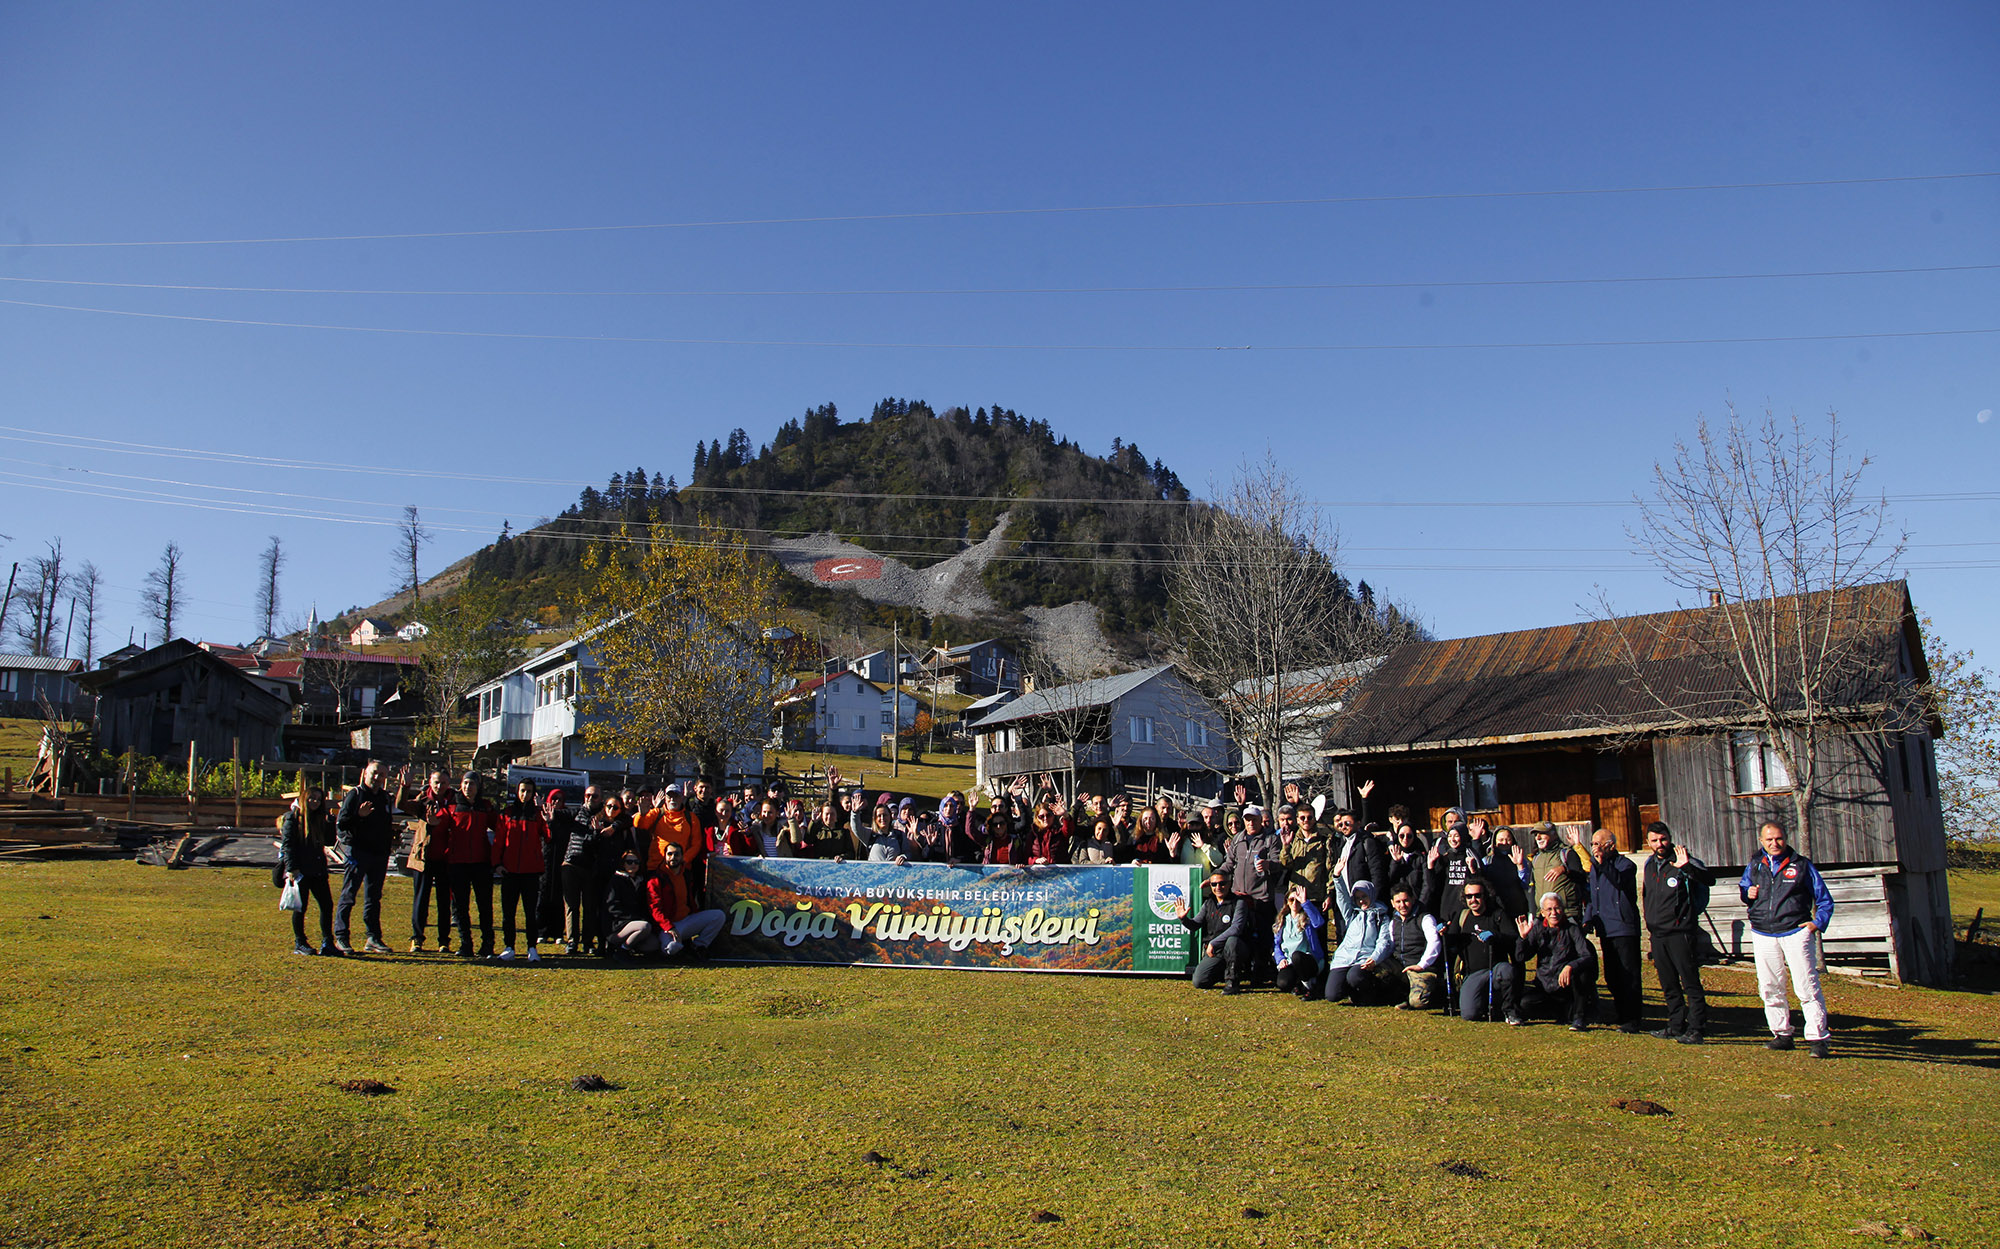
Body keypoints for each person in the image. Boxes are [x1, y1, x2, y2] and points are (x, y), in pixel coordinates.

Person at [1741, 819, 1835, 1058]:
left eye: (1779, 838)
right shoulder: (1754, 865)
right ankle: (1782, 1034)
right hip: (1763, 933)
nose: (1775, 843)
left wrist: (1816, 923)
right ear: (1761, 841)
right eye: (1769, 839)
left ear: (1786, 838)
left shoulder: (1801, 865)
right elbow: (1745, 890)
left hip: (1795, 932)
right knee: (1770, 987)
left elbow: (1824, 899)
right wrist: (1747, 893)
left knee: (1806, 987)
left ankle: (1817, 1038)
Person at [1641, 821, 1712, 1045]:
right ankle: (1675, 1024)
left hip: (1680, 932)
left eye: (1663, 839)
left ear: (1669, 838)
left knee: (1690, 981)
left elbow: (1709, 880)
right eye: (1654, 840)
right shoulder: (1650, 864)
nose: (1659, 844)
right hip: (1658, 933)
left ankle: (1696, 1028)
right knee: (1668, 983)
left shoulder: (1683, 859)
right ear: (1648, 842)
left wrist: (1686, 867)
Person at [332, 759, 396, 955]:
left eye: (382, 775)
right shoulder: (355, 794)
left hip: (379, 854)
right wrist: (359, 816)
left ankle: (373, 938)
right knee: (349, 895)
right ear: (365, 773)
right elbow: (341, 824)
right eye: (374, 773)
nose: (377, 778)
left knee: (374, 898)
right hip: (358, 852)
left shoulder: (385, 798)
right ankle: (341, 936)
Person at [1583, 828, 1644, 1033]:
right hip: (1605, 928)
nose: (1595, 848)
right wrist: (1588, 917)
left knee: (1629, 974)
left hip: (1623, 927)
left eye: (1598, 844)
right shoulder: (1595, 867)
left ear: (1611, 845)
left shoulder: (1626, 865)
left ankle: (1633, 1018)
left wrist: (1603, 863)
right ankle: (1621, 1012)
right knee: (1612, 975)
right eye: (1592, 844)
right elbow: (1593, 895)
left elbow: (1618, 882)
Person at [1220, 806, 1285, 986]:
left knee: (1263, 938)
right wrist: (1216, 875)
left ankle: (1260, 972)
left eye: (1254, 819)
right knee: (1241, 935)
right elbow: (1229, 863)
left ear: (1259, 820)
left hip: (1261, 897)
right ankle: (1241, 970)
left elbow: (1280, 862)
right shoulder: (1238, 839)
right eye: (1247, 820)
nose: (1250, 823)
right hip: (1239, 895)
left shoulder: (1270, 839)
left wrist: (1268, 865)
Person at [1515, 892, 1599, 1031]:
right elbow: (1521, 957)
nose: (1554, 913)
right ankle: (1561, 1012)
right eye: (1549, 909)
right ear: (1542, 912)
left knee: (1582, 974)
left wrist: (1570, 966)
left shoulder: (1572, 929)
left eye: (1557, 908)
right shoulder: (1538, 930)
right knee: (1525, 1004)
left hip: (1566, 986)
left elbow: (1587, 956)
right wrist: (1523, 938)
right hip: (1545, 986)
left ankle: (1579, 1017)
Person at [441, 773, 498, 959]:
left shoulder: (485, 806)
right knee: (460, 906)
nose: (467, 787)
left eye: (471, 784)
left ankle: (487, 943)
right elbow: (439, 827)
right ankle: (466, 943)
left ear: (478, 786)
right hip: (458, 862)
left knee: (484, 905)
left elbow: (501, 826)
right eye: (465, 783)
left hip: (481, 862)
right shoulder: (452, 805)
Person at [398, 768, 455, 954]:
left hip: (445, 858)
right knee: (421, 900)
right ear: (430, 782)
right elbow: (401, 804)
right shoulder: (423, 801)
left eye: (444, 783)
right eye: (437, 782)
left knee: (444, 902)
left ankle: (444, 940)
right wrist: (405, 785)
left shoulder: (454, 801)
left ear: (449, 784)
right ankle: (417, 939)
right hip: (424, 858)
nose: (440, 786)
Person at [492, 778, 549, 963]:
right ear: (517, 791)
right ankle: (509, 946)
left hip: (531, 872)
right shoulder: (507, 814)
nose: (525, 794)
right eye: (523, 790)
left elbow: (548, 837)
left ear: (534, 794)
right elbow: (499, 841)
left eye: (529, 791)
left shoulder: (537, 814)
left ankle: (532, 947)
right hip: (509, 871)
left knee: (530, 912)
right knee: (508, 912)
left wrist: (545, 816)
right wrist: (497, 864)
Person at [1447, 881, 1518, 1023]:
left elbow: (1512, 937)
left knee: (1507, 970)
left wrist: (1495, 936)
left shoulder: (1497, 914)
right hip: (1473, 973)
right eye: (1469, 896)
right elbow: (1451, 942)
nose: (1473, 900)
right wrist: (1443, 933)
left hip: (1496, 969)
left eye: (1477, 895)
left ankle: (1510, 1011)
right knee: (1469, 1014)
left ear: (1485, 896)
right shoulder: (1462, 916)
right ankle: (1485, 1005)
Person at [279, 785, 337, 956]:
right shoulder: (293, 818)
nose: (314, 802)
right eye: (312, 798)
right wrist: (291, 868)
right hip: (301, 870)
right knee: (300, 907)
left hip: (317, 869)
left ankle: (327, 942)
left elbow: (329, 841)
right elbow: (288, 845)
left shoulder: (320, 818)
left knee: (326, 905)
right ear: (304, 798)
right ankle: (300, 942)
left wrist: (330, 824)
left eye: (318, 800)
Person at [647, 842, 728, 956]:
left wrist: (695, 914)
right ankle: (681, 948)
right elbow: (655, 909)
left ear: (682, 856)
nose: (673, 858)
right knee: (671, 949)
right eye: (669, 854)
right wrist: (669, 927)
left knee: (718, 916)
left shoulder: (686, 874)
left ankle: (698, 946)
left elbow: (690, 900)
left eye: (677, 854)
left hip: (685, 921)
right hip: (667, 926)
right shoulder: (656, 879)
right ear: (664, 856)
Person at [1323, 877, 1392, 1004]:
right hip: (1344, 958)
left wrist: (1375, 958)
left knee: (1355, 977)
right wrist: (1337, 878)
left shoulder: (1381, 917)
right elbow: (1342, 898)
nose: (1361, 901)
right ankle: (1351, 991)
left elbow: (1384, 941)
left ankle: (1372, 991)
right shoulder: (1352, 914)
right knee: (1332, 995)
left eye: (1364, 896)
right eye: (1358, 898)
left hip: (1365, 958)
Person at [1382, 885, 1444, 1009]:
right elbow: (1390, 945)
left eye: (1405, 901)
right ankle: (1402, 996)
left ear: (1413, 899)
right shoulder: (1393, 921)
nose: (1402, 905)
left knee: (1418, 1001)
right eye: (1398, 902)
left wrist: (1421, 965)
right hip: (1401, 967)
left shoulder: (1425, 919)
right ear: (1392, 903)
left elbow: (1434, 942)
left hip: (1420, 969)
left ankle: (1436, 991)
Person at [1181, 873, 1245, 991]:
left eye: (1222, 883)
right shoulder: (1208, 903)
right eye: (1214, 884)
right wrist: (1183, 919)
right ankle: (1223, 971)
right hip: (1215, 952)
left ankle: (1232, 983)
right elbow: (1195, 924)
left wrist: (1213, 943)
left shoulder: (1238, 902)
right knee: (1199, 981)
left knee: (1232, 941)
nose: (1218, 887)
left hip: (1233, 948)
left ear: (1229, 884)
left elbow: (1236, 928)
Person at [1272, 887, 1327, 999]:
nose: (1295, 903)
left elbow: (1319, 923)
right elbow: (1276, 944)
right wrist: (1280, 959)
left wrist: (1305, 902)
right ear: (1287, 902)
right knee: (1283, 983)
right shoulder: (1282, 920)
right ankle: (1298, 983)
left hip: (1308, 960)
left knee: (1297, 956)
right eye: (1292, 900)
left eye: (1298, 900)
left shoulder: (1307, 918)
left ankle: (1310, 987)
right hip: (1290, 962)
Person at [1528, 822, 1588, 923]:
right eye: (1536, 835)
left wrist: (1565, 869)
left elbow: (1581, 877)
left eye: (1542, 833)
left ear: (1553, 835)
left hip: (1567, 915)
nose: (1538, 837)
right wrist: (1533, 914)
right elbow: (1533, 888)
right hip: (1543, 916)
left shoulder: (1567, 853)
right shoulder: (1536, 858)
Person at [605, 850, 661, 956]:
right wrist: (631, 918)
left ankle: (631, 946)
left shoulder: (641, 881)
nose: (633, 865)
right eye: (629, 862)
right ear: (623, 863)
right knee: (644, 927)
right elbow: (612, 907)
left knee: (654, 944)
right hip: (618, 926)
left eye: (636, 862)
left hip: (637, 924)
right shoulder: (616, 881)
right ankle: (622, 950)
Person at [1424, 824, 1482, 925]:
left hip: (1466, 908)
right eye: (1450, 836)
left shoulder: (1470, 855)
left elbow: (1480, 882)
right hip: (1446, 907)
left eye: (1456, 836)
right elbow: (1432, 886)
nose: (1452, 839)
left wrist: (1473, 870)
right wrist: (1430, 866)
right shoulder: (1444, 858)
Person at [1280, 805, 1333, 909]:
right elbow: (1286, 864)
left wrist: (1329, 894)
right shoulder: (1293, 839)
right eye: (1302, 818)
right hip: (1296, 896)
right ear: (1297, 820)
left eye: (1309, 817)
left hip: (1317, 896)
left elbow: (1329, 869)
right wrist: (1286, 846)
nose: (1306, 821)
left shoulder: (1324, 840)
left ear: (1314, 819)